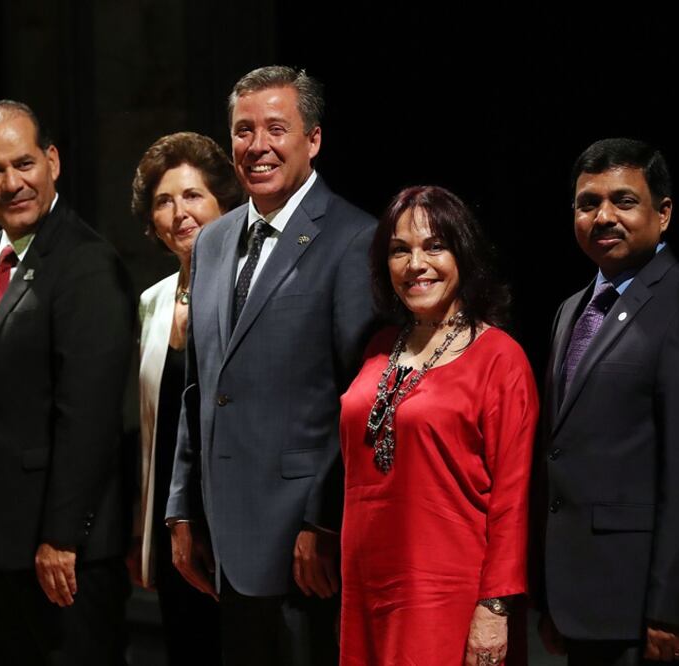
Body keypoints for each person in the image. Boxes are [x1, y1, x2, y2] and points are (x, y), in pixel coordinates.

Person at [165, 65, 377, 665]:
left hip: (304, 549)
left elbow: (357, 397)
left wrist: (324, 522)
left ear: (312, 140)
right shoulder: (211, 241)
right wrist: (182, 506)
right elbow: (199, 389)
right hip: (223, 540)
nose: (257, 146)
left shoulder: (352, 238)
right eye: (243, 130)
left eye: (276, 128)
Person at [0, 100, 133, 665]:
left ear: (52, 161)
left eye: (24, 163)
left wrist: (63, 537)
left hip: (62, 553)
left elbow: (91, 418)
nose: (12, 183)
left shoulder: (88, 263)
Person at [534, 138, 679, 664]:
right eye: (588, 203)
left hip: (648, 611)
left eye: (624, 201)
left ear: (663, 213)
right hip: (582, 601)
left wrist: (673, 606)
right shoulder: (572, 307)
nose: (603, 216)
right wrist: (551, 597)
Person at [338, 185, 537, 665]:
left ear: (462, 253)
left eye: (434, 246)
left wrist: (494, 607)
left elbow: (513, 500)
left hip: (446, 595)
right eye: (399, 250)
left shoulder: (499, 358)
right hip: (365, 589)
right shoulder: (378, 347)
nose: (416, 263)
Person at [127, 131, 242, 664]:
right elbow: (151, 428)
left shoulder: (249, 292)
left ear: (224, 202)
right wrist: (144, 528)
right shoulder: (151, 301)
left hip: (233, 520)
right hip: (173, 526)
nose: (179, 213)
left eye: (193, 196)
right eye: (164, 201)